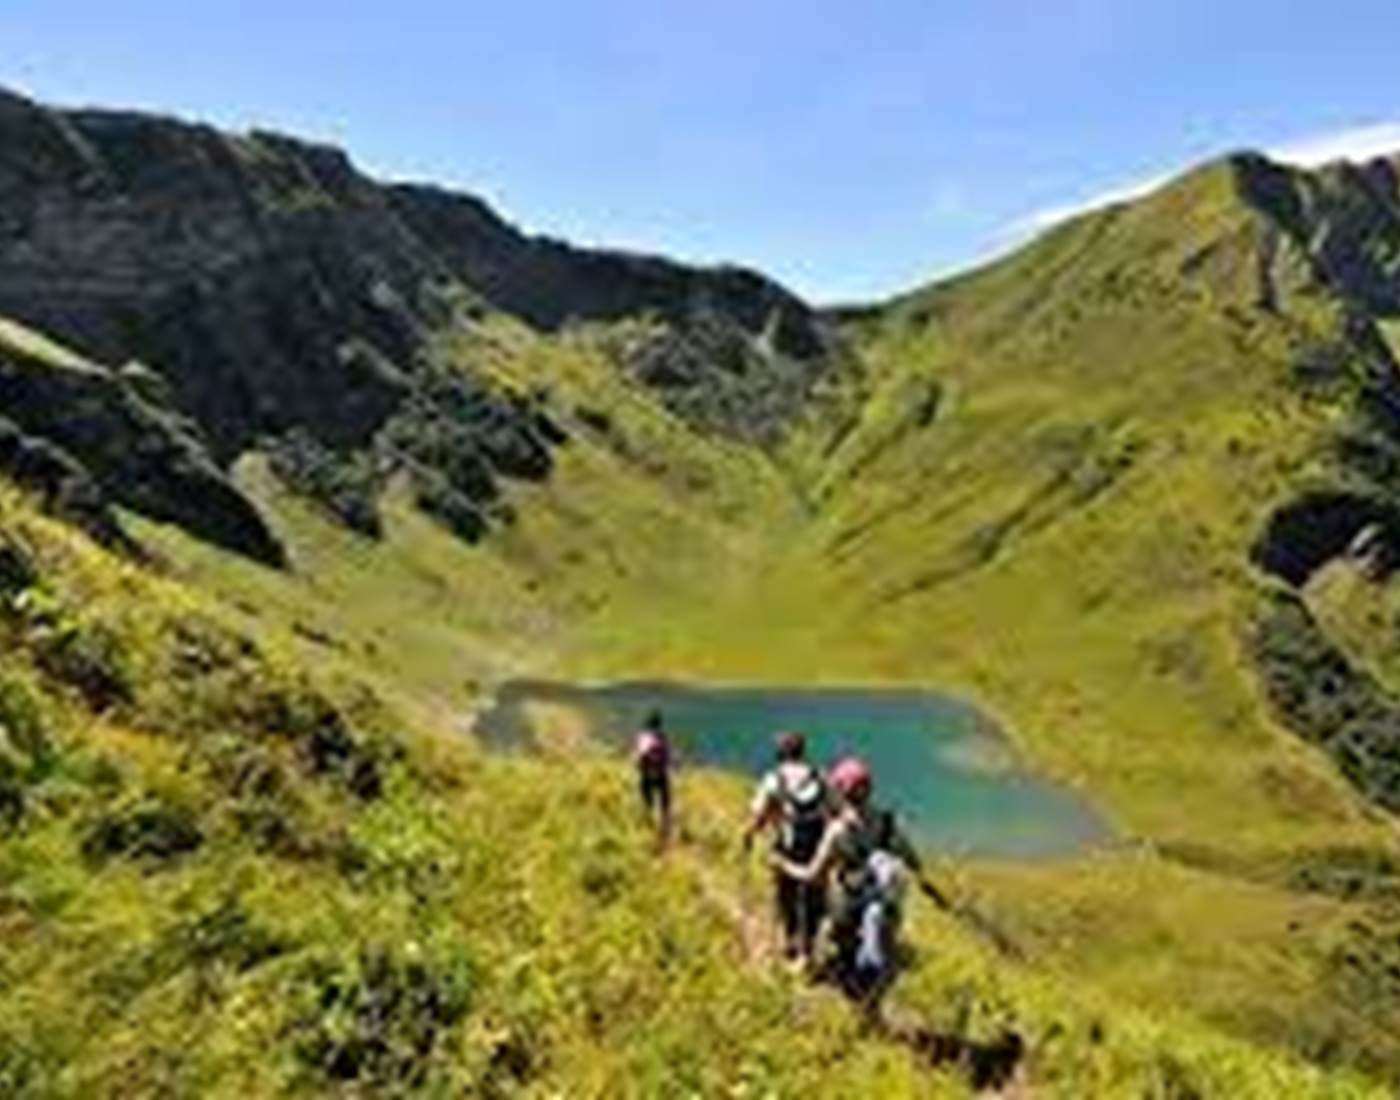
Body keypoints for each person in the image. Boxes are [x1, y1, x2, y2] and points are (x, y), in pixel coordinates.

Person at [772, 755, 921, 1002]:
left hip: (848, 904)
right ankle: (871, 1007)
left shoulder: (838, 831)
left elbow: (812, 874)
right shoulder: (888, 823)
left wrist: (784, 866)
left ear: (841, 792)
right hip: (884, 903)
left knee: (843, 955)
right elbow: (912, 860)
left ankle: (853, 1003)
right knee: (880, 955)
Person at [742, 731, 830, 969]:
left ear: (781, 752)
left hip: (786, 847)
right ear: (802, 752)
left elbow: (759, 814)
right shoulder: (820, 776)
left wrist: (749, 834)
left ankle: (790, 940)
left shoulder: (774, 779)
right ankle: (808, 946)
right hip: (817, 847)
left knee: (786, 894)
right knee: (812, 897)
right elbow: (833, 810)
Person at [633, 709, 673, 845]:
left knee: (648, 802)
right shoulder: (662, 737)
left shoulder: (643, 738)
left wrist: (642, 768)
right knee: (665, 803)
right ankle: (664, 830)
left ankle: (649, 827)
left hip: (646, 774)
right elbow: (667, 757)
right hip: (661, 774)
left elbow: (639, 757)